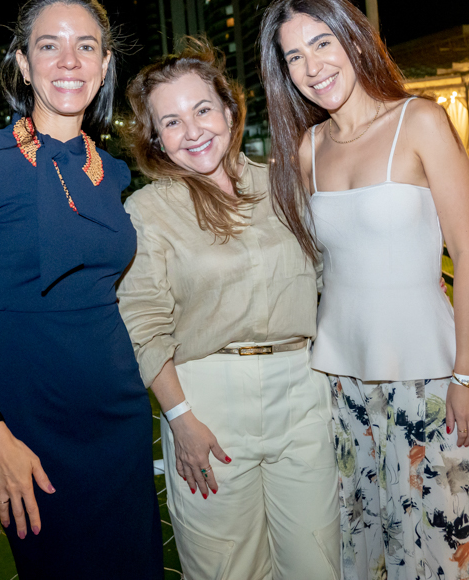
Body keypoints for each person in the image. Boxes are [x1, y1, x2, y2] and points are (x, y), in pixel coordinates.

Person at [0, 0, 162, 579]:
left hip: (120, 413)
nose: (69, 61)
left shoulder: (111, 171)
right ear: (24, 64)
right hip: (27, 424)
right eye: (49, 46)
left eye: (86, 47)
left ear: (105, 65)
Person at [258, 0, 469, 580]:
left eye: (322, 43)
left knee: (444, 553)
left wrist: (468, 372)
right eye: (294, 58)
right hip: (340, 386)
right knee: (359, 552)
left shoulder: (420, 122)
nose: (312, 67)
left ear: (353, 39)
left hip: (430, 377)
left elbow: (468, 252)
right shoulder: (305, 150)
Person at [117, 39, 340, 580]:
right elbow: (144, 324)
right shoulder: (147, 210)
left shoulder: (284, 184)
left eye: (201, 110)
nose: (192, 131)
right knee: (226, 569)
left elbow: (330, 278)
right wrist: (180, 420)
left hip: (302, 390)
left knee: (318, 561)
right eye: (170, 122)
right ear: (154, 137)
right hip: (206, 404)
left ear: (230, 110)